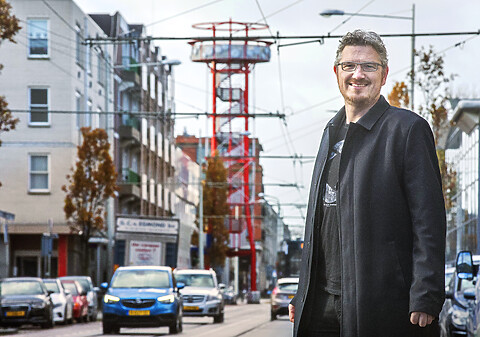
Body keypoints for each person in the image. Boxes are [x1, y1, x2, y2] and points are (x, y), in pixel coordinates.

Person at [288, 29, 446, 337]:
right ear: (337, 72)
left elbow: (429, 221)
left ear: (384, 75)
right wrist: (302, 292)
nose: (358, 74)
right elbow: (317, 223)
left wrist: (426, 294)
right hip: (321, 305)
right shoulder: (330, 133)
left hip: (380, 304)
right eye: (349, 66)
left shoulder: (408, 129)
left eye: (369, 67)